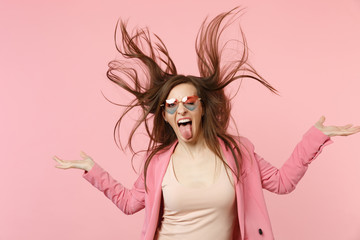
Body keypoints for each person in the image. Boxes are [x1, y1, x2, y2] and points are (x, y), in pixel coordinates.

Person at [53, 8, 360, 240]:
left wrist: (316, 136)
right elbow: (130, 203)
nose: (180, 109)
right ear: (164, 115)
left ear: (202, 108)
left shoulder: (238, 151)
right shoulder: (157, 162)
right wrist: (92, 170)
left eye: (189, 102)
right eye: (171, 105)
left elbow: (282, 182)